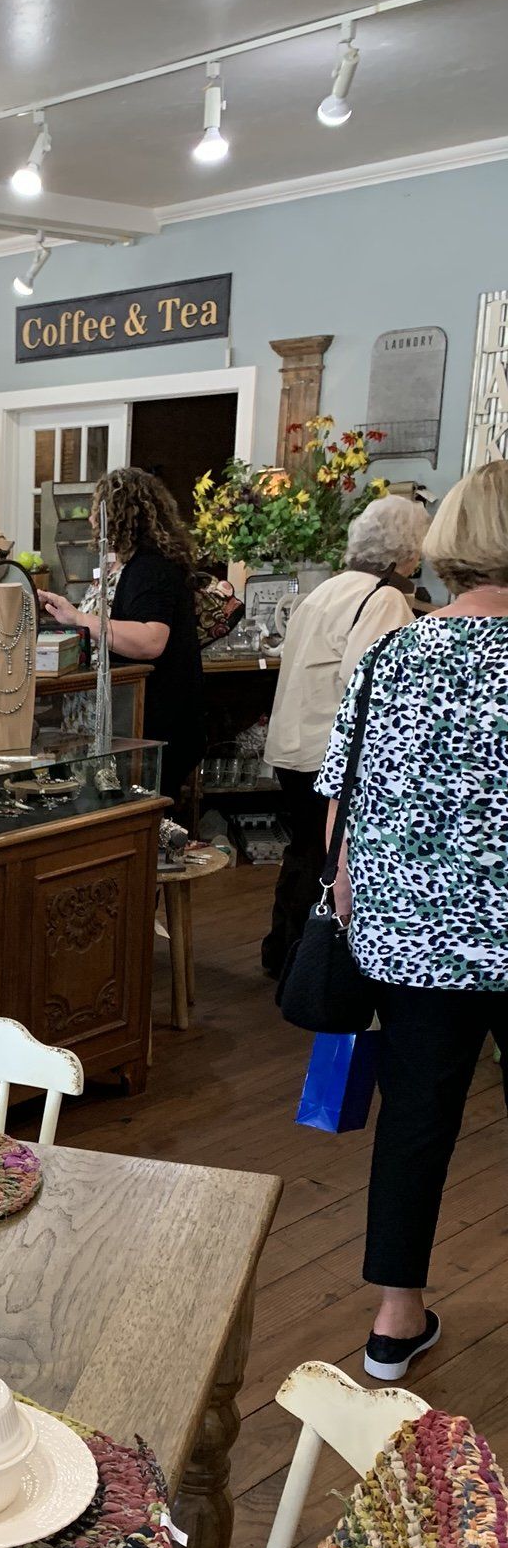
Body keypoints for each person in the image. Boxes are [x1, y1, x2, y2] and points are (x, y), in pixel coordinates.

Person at [317, 461, 508, 1382]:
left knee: (418, 1118)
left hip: (415, 935)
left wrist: (353, 900)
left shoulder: (398, 654)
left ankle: (395, 1323)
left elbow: (342, 802)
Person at [260, 494, 427, 976]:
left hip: (291, 745)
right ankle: (311, 963)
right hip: (328, 751)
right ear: (404, 552)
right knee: (330, 858)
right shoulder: (384, 599)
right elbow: (375, 689)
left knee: (304, 849)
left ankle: (282, 951)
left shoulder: (327, 589)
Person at [37, 467, 206, 810]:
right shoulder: (125, 566)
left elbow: (150, 640)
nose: (91, 522)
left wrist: (78, 617)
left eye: (98, 510)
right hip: (117, 722)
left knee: (140, 816)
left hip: (149, 723)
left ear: (119, 514)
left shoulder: (152, 567)